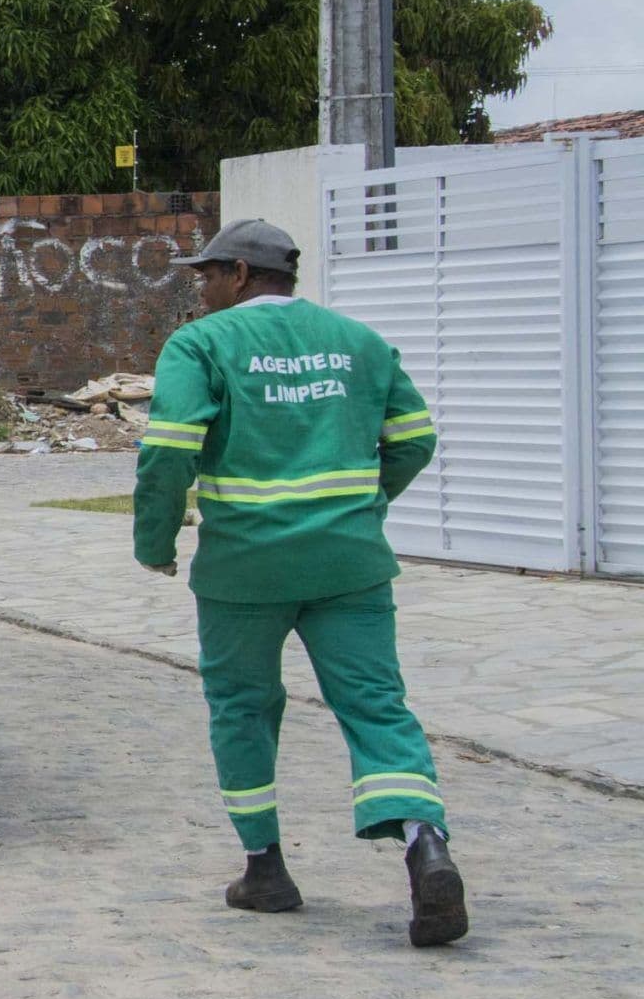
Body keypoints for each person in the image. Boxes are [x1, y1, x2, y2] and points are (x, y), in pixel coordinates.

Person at [134, 219, 464, 948]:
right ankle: (425, 844)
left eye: (208, 275)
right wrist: (364, 505)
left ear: (243, 276)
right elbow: (415, 437)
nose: (202, 289)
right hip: (350, 565)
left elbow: (167, 452)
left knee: (242, 707)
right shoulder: (361, 343)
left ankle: (266, 868)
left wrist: (154, 543)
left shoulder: (200, 347)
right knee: (377, 705)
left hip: (243, 572)